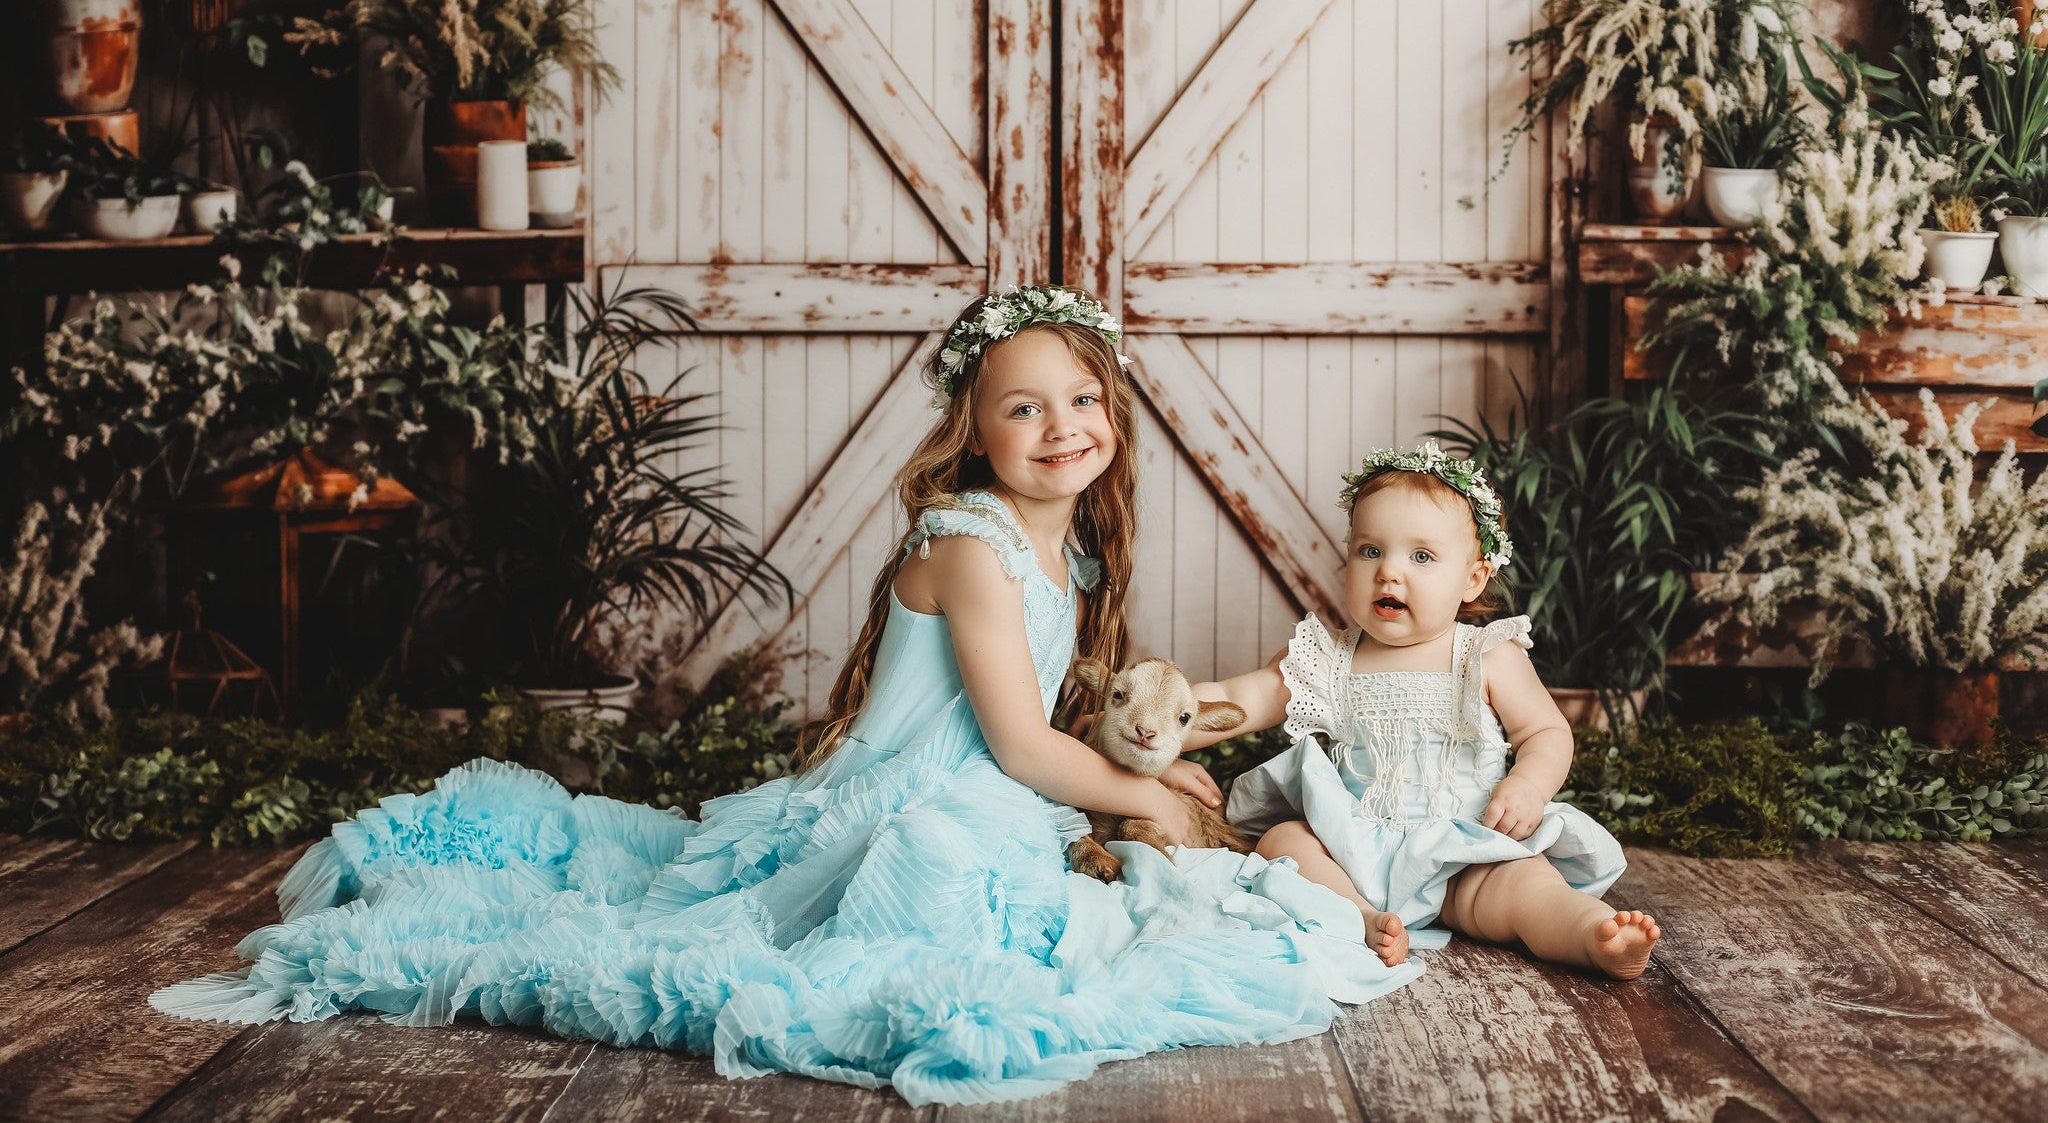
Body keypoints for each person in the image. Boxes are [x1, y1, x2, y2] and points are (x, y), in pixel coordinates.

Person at [151, 285, 1417, 1106]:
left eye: (1081, 400)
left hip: (992, 783)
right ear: (973, 431)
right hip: (930, 795)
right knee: (942, 891)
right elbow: (1023, 750)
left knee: (1119, 864)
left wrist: (1158, 755)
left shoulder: (1065, 545)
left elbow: (1042, 732)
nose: (1061, 424)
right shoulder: (970, 544)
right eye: (1022, 406)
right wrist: (1157, 794)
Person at [1191, 443, 1659, 979]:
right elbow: (1241, 698)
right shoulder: (1328, 658)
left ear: (1473, 579)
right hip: (1356, 852)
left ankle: (1591, 934)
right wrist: (1158, 724)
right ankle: (1362, 918)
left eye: (1421, 557)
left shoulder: (1484, 655)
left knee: (1529, 887)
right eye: (1370, 551)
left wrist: (1529, 785)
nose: (1390, 573)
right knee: (1284, 842)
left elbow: (1546, 731)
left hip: (1466, 850)